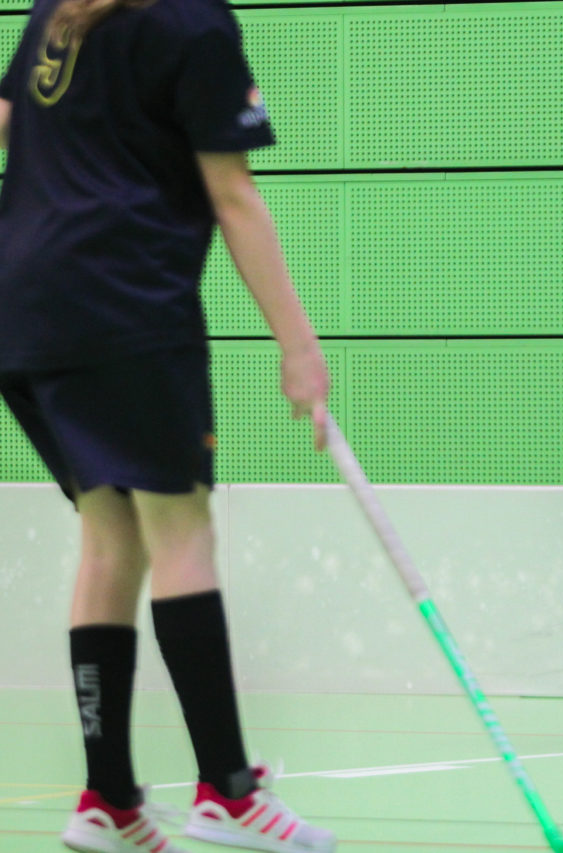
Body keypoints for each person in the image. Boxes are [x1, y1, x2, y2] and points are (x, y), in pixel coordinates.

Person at [0, 0, 335, 850]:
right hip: (126, 309)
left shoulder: (59, 10)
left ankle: (108, 800)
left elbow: (9, 122)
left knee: (112, 539)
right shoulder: (192, 22)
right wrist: (298, 345)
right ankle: (227, 792)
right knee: (181, 535)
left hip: (25, 315)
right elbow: (232, 192)